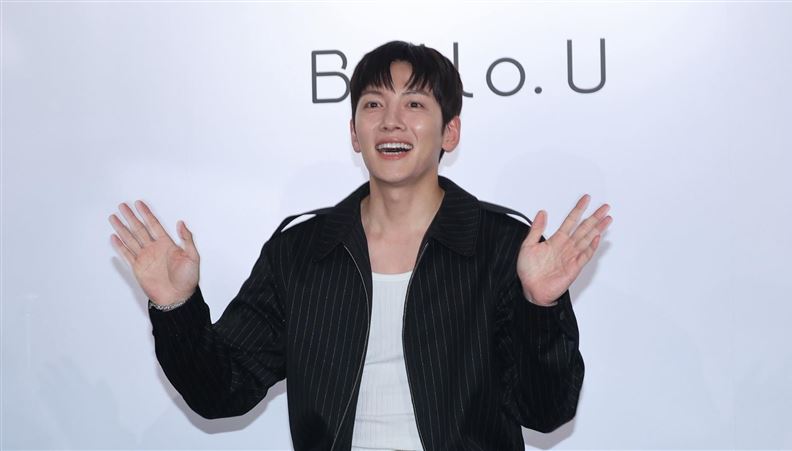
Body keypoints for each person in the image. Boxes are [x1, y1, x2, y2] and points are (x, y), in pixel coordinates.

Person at [108, 41, 611, 451]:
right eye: (373, 105)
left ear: (450, 131)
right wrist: (176, 307)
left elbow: (546, 412)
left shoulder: (503, 248)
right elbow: (222, 391)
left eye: (414, 104)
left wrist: (539, 307)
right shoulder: (301, 251)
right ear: (354, 133)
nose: (391, 121)